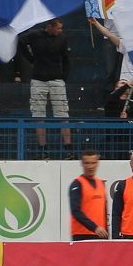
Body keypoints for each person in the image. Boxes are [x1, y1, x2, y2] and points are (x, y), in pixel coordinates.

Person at [23, 20, 72, 153]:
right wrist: (31, 59)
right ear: (50, 27)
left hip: (56, 78)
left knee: (62, 113)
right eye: (58, 28)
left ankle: (68, 148)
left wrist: (64, 78)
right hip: (39, 78)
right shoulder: (34, 35)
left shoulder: (62, 38)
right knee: (39, 114)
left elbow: (66, 59)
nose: (60, 30)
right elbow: (21, 42)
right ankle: (42, 148)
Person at [68, 151, 110, 241]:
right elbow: (76, 211)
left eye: (93, 163)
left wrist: (107, 233)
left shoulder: (101, 184)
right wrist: (94, 227)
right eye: (87, 163)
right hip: (82, 235)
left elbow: (104, 212)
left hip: (100, 235)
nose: (90, 166)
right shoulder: (77, 184)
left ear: (97, 163)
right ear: (82, 164)